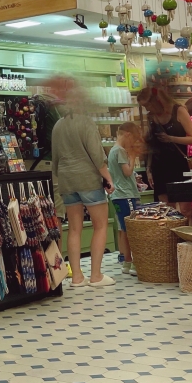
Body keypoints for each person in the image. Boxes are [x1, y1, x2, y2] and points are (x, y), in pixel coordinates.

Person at [51, 99, 115, 288]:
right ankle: (96, 276)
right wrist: (108, 179)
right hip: (88, 179)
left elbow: (55, 158)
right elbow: (97, 156)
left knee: (74, 229)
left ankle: (77, 277)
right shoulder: (86, 122)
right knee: (100, 226)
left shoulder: (58, 125)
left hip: (66, 180)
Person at [137, 85, 192, 220]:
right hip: (159, 167)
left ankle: (187, 232)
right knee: (166, 210)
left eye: (147, 105)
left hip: (178, 165)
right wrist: (148, 169)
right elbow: (151, 145)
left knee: (186, 210)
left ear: (156, 101)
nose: (147, 109)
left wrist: (171, 139)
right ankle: (170, 233)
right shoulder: (151, 117)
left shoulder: (178, 111)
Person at [107, 121, 145, 277]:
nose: (132, 143)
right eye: (133, 139)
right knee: (132, 228)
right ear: (128, 135)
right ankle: (135, 262)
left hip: (118, 195)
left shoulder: (112, 151)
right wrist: (133, 156)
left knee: (123, 228)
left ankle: (127, 261)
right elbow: (127, 172)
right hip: (126, 195)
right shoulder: (120, 151)